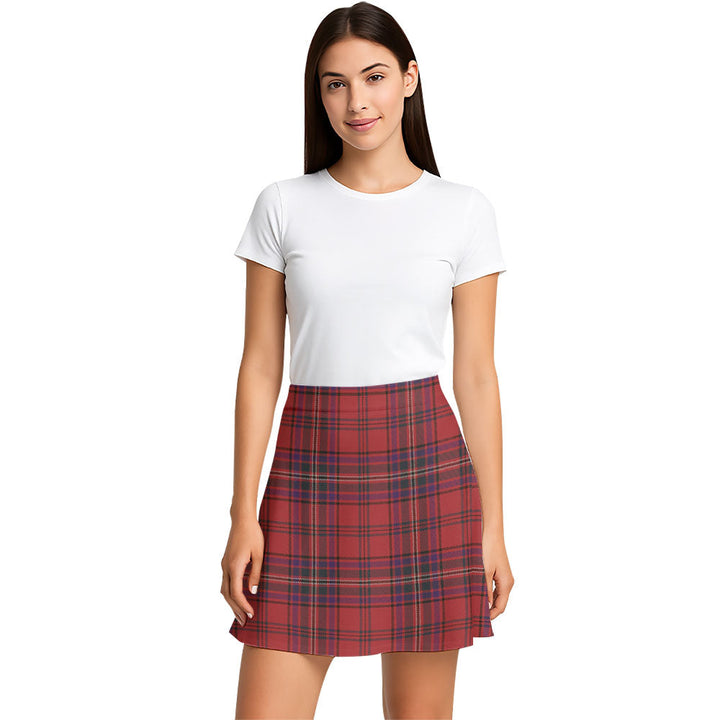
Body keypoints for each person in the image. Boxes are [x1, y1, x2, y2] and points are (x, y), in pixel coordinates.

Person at [220, 3, 515, 718]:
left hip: (427, 479)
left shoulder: (464, 210)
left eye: (375, 77)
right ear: (318, 96)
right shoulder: (282, 205)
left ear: (410, 79)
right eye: (336, 83)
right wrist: (241, 514)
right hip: (308, 477)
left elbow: (477, 377)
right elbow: (260, 367)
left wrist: (494, 527)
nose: (357, 101)